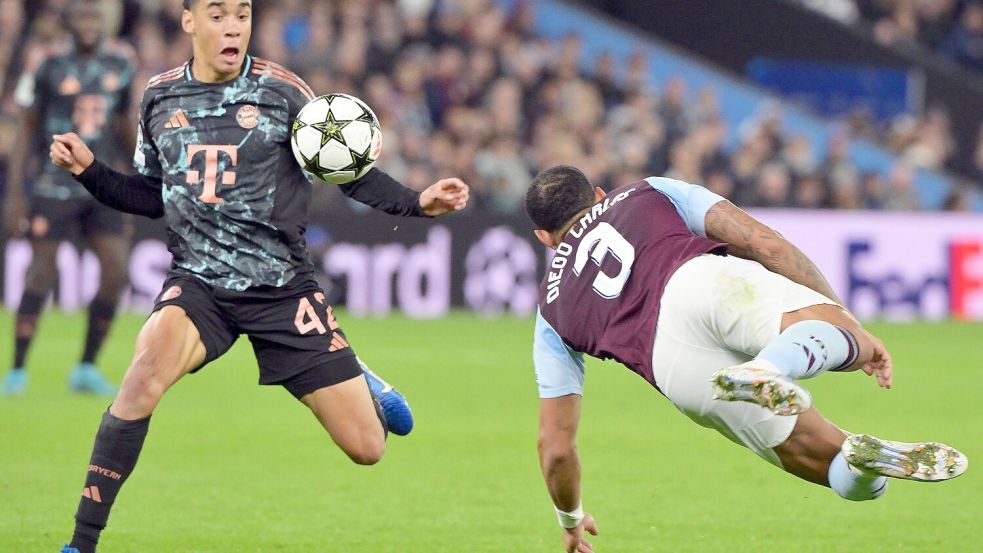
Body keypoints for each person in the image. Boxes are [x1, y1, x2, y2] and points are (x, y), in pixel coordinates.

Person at [49, 1, 469, 552]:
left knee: (369, 447)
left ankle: (359, 375)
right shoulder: (159, 97)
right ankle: (81, 543)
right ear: (190, 21)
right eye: (219, 14)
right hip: (199, 284)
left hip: (282, 289)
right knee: (141, 377)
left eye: (242, 15)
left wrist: (417, 201)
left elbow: (346, 171)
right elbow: (154, 197)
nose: (233, 27)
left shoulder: (283, 92)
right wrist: (90, 173)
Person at [526, 165, 967, 553]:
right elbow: (764, 244)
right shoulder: (646, 192)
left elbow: (556, 447)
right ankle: (770, 368)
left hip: (674, 368)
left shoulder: (551, 310)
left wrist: (570, 519)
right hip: (699, 281)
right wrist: (850, 327)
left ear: (544, 238)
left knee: (834, 464)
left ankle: (863, 465)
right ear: (599, 194)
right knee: (844, 337)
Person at [2, 0, 136, 396]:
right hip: (53, 183)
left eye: (95, 16)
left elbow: (125, 123)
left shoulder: (121, 62)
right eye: (82, 16)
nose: (89, 25)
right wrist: (15, 194)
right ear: (69, 22)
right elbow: (26, 130)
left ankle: (87, 367)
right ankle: (18, 368)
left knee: (116, 269)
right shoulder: (45, 62)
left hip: (103, 181)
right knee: (41, 273)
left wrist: (141, 176)